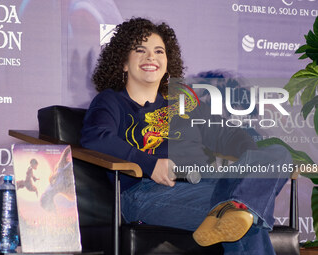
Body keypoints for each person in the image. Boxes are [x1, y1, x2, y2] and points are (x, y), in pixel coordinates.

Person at [81, 17, 291, 254]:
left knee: (278, 153)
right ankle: (238, 207)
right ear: (123, 63)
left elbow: (227, 134)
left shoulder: (183, 103)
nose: (151, 57)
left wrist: (252, 161)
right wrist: (150, 164)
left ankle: (238, 205)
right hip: (148, 192)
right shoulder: (111, 101)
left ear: (168, 63)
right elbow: (97, 138)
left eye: (159, 51)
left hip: (210, 184)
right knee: (245, 221)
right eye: (140, 50)